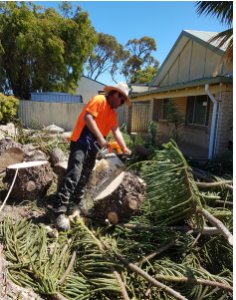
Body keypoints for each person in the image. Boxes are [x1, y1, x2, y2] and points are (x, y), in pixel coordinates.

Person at [52, 82, 132, 230]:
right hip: (81, 140)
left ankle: (75, 202)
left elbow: (116, 130)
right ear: (116, 94)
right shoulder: (99, 100)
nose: (121, 104)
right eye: (122, 100)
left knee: (86, 173)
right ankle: (59, 211)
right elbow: (88, 118)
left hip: (94, 144)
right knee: (74, 173)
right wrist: (101, 138)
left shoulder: (112, 113)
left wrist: (124, 147)